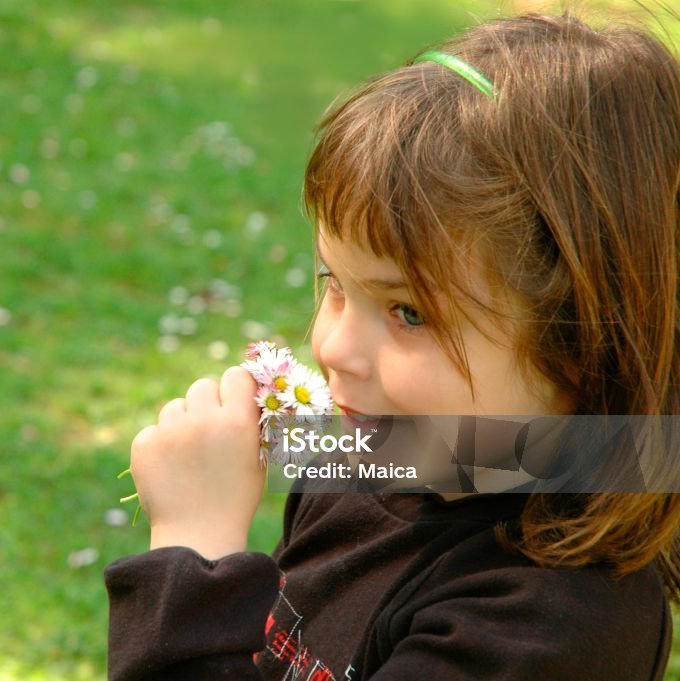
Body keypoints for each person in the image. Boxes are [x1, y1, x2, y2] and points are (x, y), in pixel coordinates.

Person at [105, 10, 680, 681]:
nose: (333, 347)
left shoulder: (552, 624)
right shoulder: (368, 465)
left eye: (408, 311)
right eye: (334, 283)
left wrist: (192, 553)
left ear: (585, 342)